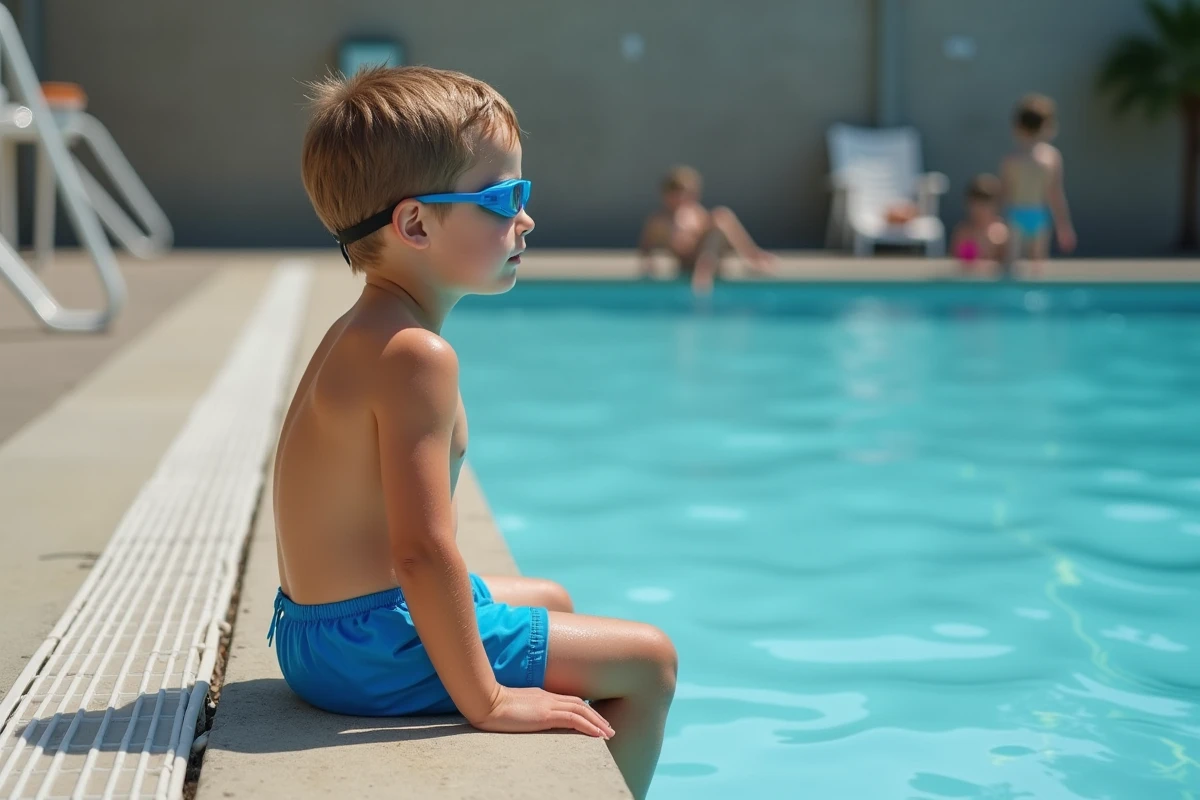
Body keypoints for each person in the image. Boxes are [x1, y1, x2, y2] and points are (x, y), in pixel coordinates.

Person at [270, 66, 676, 800]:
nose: (526, 219)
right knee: (651, 660)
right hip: (366, 647)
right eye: (502, 198)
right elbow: (422, 551)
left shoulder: (363, 330)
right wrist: (486, 699)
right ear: (416, 224)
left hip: (315, 633)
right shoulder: (415, 355)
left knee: (551, 595)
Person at [638, 165, 776, 295]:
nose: (681, 198)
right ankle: (707, 273)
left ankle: (752, 257)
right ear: (667, 195)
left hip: (706, 258)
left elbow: (710, 235)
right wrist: (648, 266)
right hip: (686, 262)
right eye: (677, 194)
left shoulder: (696, 213)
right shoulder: (658, 221)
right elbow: (646, 246)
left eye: (686, 193)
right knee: (718, 218)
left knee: (722, 215)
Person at [1000, 94, 1076, 277]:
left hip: (1018, 214)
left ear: (1018, 128)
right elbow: (1055, 194)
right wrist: (1064, 226)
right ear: (1047, 127)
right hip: (1036, 215)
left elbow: (1005, 194)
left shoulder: (1012, 160)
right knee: (1035, 267)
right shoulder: (1051, 158)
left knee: (1014, 267)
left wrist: (999, 219)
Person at [951, 174, 1008, 275]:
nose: (981, 210)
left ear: (996, 205)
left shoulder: (1001, 233)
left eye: (986, 204)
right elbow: (957, 265)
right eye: (977, 204)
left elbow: (1007, 268)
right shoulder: (963, 232)